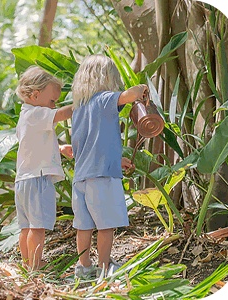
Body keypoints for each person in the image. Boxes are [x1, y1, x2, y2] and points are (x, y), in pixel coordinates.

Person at [71, 54, 148, 278]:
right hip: (102, 177)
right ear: (108, 77)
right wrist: (142, 87)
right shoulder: (104, 99)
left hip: (81, 176)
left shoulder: (79, 109)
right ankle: (105, 268)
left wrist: (116, 159)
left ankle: (84, 268)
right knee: (106, 225)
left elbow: (88, 145)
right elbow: (130, 95)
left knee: (83, 226)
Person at [15, 66, 73, 270]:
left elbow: (31, 144)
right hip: (37, 179)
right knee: (38, 228)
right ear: (35, 94)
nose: (55, 105)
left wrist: (59, 148)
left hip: (23, 181)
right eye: (52, 101)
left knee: (26, 228)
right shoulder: (38, 113)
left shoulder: (25, 116)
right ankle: (36, 265)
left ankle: (27, 263)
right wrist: (84, 104)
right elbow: (62, 114)